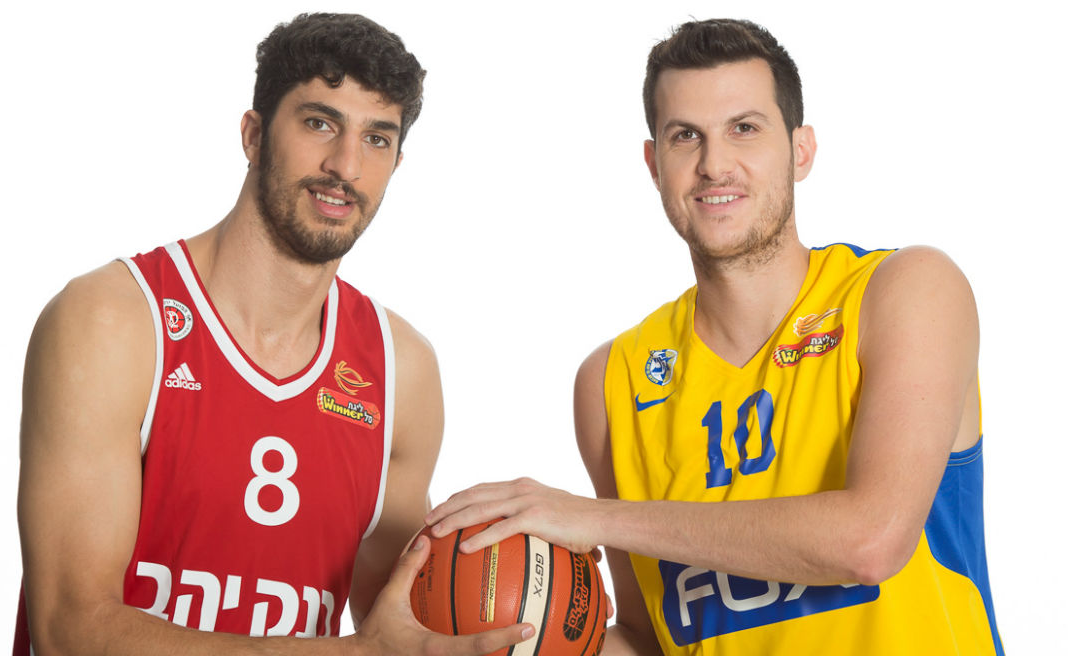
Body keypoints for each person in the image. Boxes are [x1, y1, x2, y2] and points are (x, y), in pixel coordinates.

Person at [425, 18, 1003, 655]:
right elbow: (648, 638)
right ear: (654, 164)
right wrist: (513, 640)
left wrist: (595, 519)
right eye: (685, 136)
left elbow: (872, 541)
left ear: (801, 150)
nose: (714, 164)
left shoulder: (904, 292)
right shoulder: (612, 380)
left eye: (744, 128)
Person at [13, 13, 532, 656]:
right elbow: (69, 631)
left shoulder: (402, 371)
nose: (346, 165)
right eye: (320, 123)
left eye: (376, 139)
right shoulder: (114, 322)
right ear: (254, 136)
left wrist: (535, 586)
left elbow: (403, 627)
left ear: (397, 163)